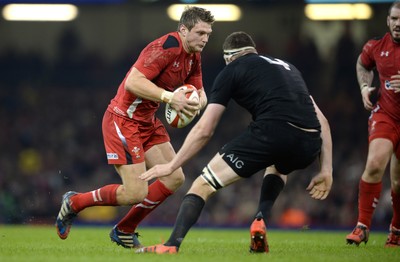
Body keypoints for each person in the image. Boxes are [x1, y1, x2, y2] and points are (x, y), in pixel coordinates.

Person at [135, 31, 333, 254]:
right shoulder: (288, 68)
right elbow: (322, 121)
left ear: (229, 58)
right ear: (253, 51)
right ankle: (260, 219)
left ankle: (171, 245)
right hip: (308, 142)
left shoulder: (231, 70)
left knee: (203, 184)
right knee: (278, 166)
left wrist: (171, 165)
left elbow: (205, 129)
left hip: (273, 131)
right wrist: (326, 170)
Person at [55, 6, 215, 248]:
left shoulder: (194, 56)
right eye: (200, 32)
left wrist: (196, 104)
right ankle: (75, 202)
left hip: (147, 122)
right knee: (135, 193)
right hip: (123, 120)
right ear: (183, 29)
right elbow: (132, 82)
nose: (205, 39)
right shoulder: (167, 47)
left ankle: (124, 229)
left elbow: (201, 94)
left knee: (174, 177)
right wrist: (170, 98)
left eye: (208, 34)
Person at [346, 1, 400, 248]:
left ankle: (396, 230)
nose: (398, 24)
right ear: (388, 21)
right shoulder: (376, 47)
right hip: (385, 115)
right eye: (395, 19)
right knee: (375, 163)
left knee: (398, 182)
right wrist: (365, 87)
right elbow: (361, 64)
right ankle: (362, 226)